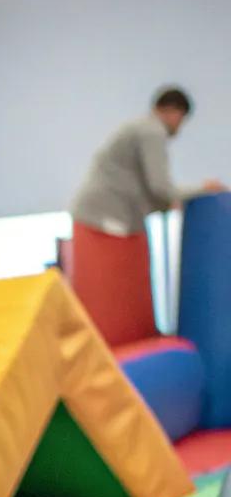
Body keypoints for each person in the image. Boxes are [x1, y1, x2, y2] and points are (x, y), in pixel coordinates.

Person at [69, 88, 225, 344]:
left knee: (128, 302)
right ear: (173, 113)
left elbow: (150, 192)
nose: (179, 129)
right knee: (118, 301)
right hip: (106, 222)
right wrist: (203, 189)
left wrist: (168, 202)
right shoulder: (152, 131)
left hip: (110, 218)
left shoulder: (138, 129)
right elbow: (161, 187)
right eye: (181, 121)